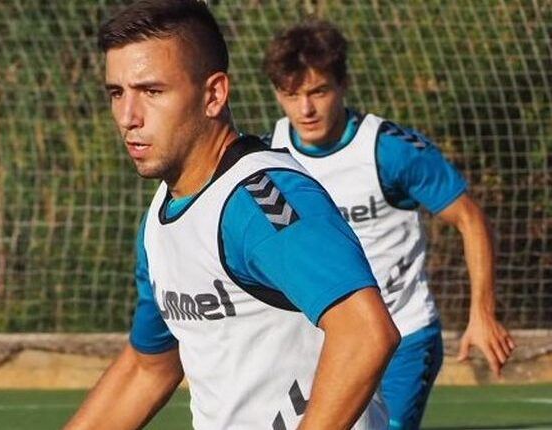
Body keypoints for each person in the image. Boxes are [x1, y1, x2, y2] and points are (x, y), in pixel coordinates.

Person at [65, 2, 399, 429]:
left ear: (214, 94)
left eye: (152, 91)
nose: (129, 117)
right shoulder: (161, 218)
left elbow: (365, 333)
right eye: (117, 93)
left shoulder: (263, 200)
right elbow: (150, 367)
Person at [263, 19, 516, 430]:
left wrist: (482, 313)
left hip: (404, 336)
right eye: (291, 96)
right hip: (322, 346)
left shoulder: (389, 150)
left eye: (318, 91)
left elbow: (469, 217)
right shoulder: (270, 157)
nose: (304, 109)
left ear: (342, 84)